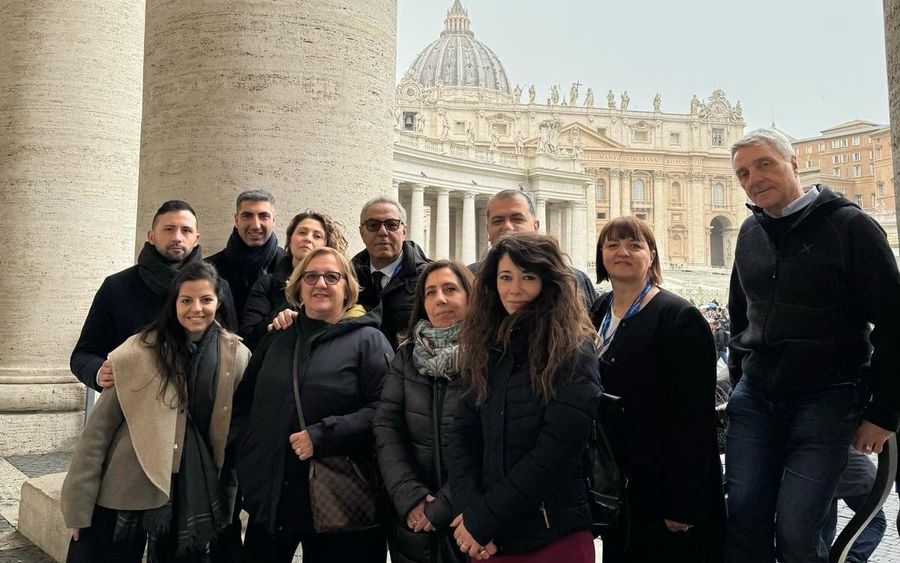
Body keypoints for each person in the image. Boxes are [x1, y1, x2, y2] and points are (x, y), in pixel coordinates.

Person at [726, 128, 900, 562]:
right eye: (743, 173)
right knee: (743, 516)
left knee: (798, 529)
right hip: (756, 396)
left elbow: (896, 321)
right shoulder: (749, 231)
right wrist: (741, 375)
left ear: (794, 162)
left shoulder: (851, 227)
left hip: (827, 396)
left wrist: (884, 412)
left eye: (764, 164)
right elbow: (739, 314)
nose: (753, 178)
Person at [60, 261, 251, 562]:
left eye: (206, 299)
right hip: (126, 484)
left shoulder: (237, 356)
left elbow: (231, 438)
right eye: (186, 300)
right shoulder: (137, 350)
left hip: (190, 491)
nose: (195, 308)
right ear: (173, 303)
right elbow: (98, 433)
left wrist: (227, 503)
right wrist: (78, 506)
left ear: (219, 301)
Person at [448, 232, 600, 562]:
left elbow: (556, 453)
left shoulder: (574, 350)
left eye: (527, 277)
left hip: (552, 535)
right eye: (506, 277)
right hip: (491, 540)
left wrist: (483, 518)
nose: (514, 289)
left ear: (548, 282)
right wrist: (470, 513)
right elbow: (462, 434)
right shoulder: (486, 346)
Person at [234, 246, 393, 563]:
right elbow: (244, 404)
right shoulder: (277, 338)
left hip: (338, 503)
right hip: (272, 499)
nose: (321, 283)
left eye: (332, 277)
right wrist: (249, 463)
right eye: (311, 276)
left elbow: (386, 411)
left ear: (347, 287)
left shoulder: (369, 341)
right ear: (297, 286)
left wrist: (324, 435)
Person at [590, 216, 725, 562]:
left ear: (651, 256)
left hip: (665, 484)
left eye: (634, 245)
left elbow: (694, 418)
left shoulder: (679, 318)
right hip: (622, 478)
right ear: (601, 255)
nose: (622, 252)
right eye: (612, 244)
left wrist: (682, 502)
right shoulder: (599, 310)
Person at [71, 200, 238, 391]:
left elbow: (231, 346)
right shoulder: (117, 286)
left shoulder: (219, 288)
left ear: (196, 238)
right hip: (137, 407)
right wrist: (99, 372)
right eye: (168, 229)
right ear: (151, 236)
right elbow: (83, 354)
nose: (177, 237)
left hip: (202, 407)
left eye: (186, 230)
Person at [374, 260, 475, 563]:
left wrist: (443, 504)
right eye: (430, 292)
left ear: (471, 296)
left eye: (450, 289)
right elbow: (386, 426)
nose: (439, 299)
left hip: (470, 517)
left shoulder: (490, 353)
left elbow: (491, 442)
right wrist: (411, 496)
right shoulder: (406, 356)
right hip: (412, 518)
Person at [469, 190, 597, 311]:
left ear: (535, 226)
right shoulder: (468, 277)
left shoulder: (575, 280)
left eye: (517, 219)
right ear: (488, 230)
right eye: (498, 221)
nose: (507, 226)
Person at [240, 210, 347, 350]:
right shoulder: (267, 284)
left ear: (326, 246)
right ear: (290, 239)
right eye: (302, 232)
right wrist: (283, 314)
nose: (308, 239)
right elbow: (247, 338)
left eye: (317, 236)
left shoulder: (337, 286)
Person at [352, 197, 430, 349]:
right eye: (373, 225)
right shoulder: (346, 279)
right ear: (362, 233)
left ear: (404, 231)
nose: (382, 232)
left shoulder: (428, 279)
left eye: (391, 224)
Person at [207, 189, 284, 317]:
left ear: (274, 220)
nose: (255, 225)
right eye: (247, 216)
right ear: (236, 220)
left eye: (263, 216)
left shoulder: (291, 268)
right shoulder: (210, 269)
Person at [823, 448, 886, 562]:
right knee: (875, 520)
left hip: (826, 476)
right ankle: (852, 559)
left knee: (824, 525)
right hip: (856, 476)